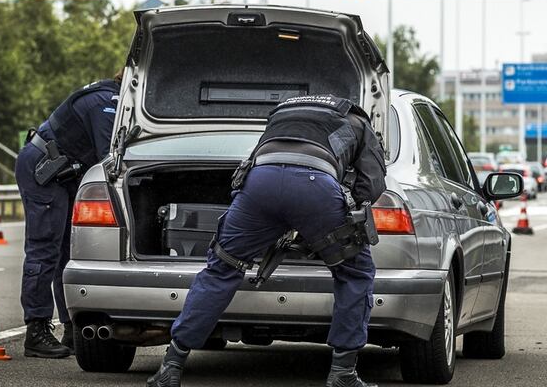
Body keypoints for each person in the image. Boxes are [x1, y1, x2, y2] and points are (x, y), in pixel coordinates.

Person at [147, 94, 387, 387]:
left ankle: (171, 366)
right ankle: (343, 374)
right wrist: (339, 212)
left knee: (221, 269)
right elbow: (371, 183)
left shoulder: (282, 113)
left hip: (260, 183)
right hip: (316, 187)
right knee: (355, 272)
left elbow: (254, 162)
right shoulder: (356, 120)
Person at [15, 73, 122, 358]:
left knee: (66, 251)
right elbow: (108, 159)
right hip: (45, 169)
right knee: (45, 248)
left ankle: (71, 330)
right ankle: (36, 331)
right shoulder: (108, 102)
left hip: (61, 173)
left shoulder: (111, 97)